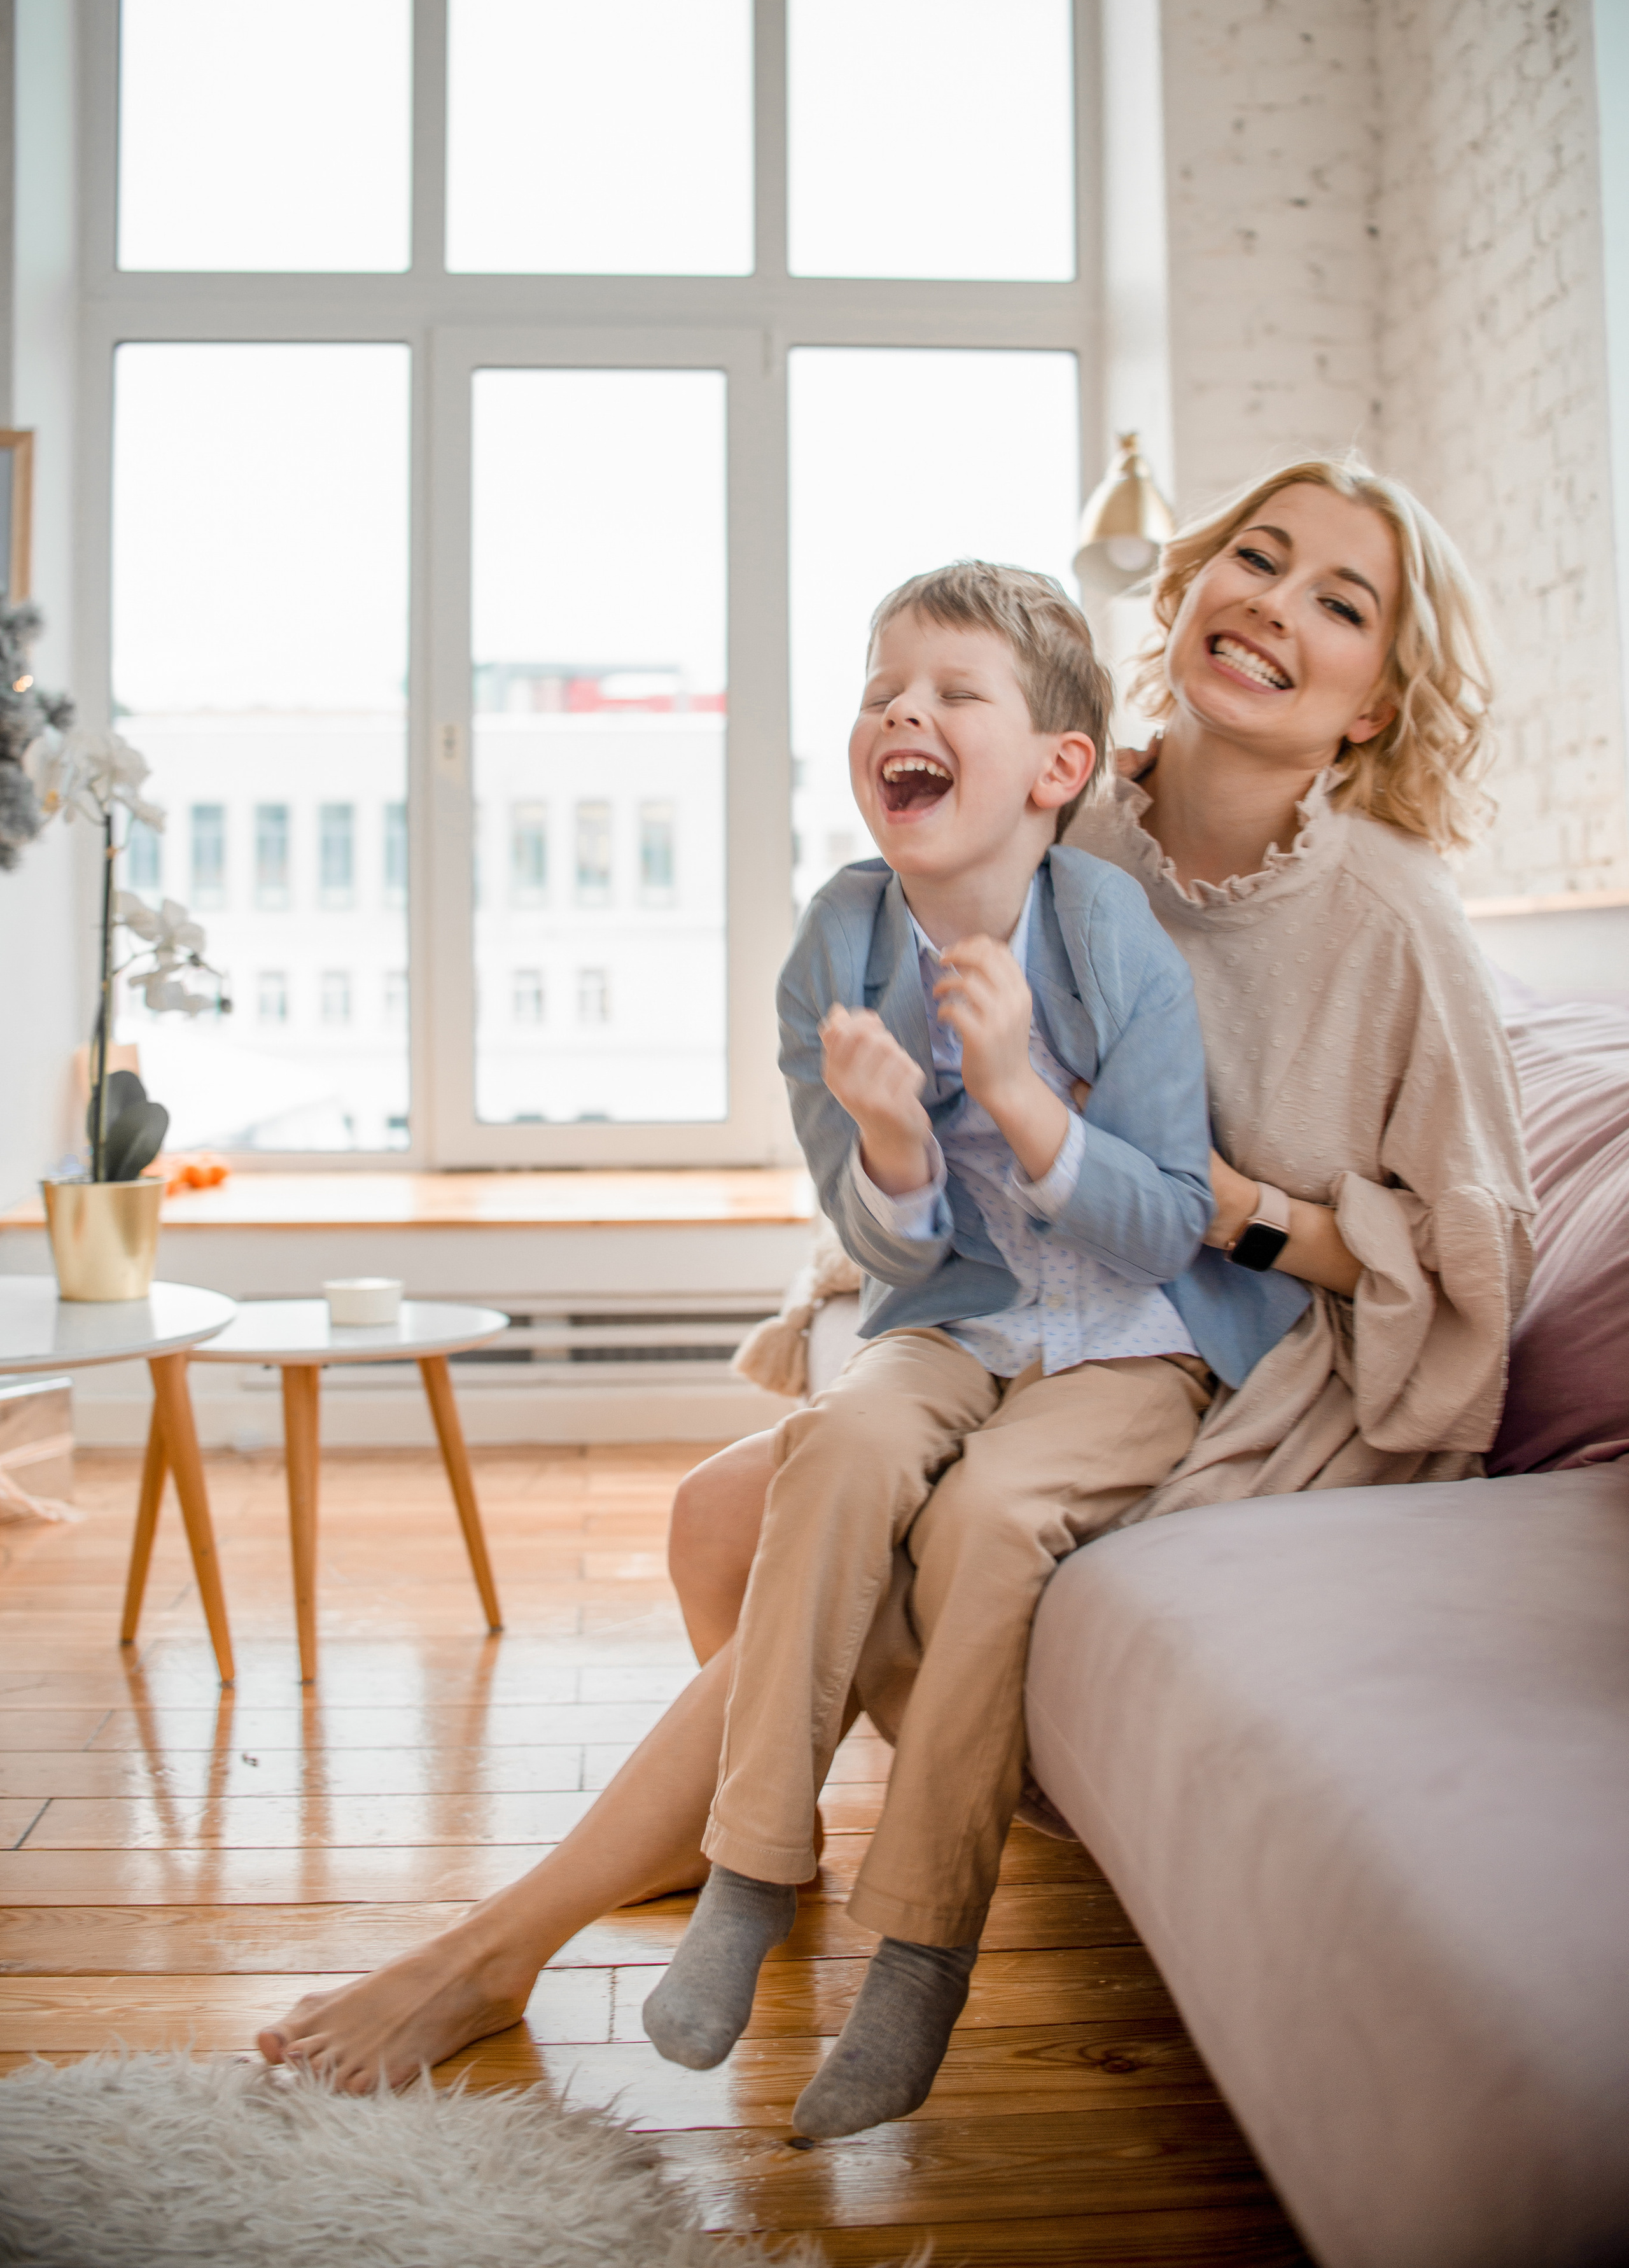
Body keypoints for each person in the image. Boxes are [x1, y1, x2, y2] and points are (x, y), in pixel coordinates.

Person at [258, 454, 1534, 2099]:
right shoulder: (1064, 809)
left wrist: (1241, 1208)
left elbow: (1452, 1249)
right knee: (730, 1515)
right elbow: (912, 1071)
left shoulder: (1393, 922)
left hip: (1233, 1356)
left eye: (1339, 603)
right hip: (1013, 1306)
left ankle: (508, 1945)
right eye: (1258, 559)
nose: (1276, 605)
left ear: (1375, 704)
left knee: (895, 1535)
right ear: (1195, 586)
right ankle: (756, 1843)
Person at [638, 561, 1304, 2139]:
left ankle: (922, 1950)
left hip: (1132, 1342)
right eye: (881, 693)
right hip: (958, 1312)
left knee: (996, 1519)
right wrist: (885, 1146)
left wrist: (1014, 1094)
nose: (902, 716)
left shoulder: (1109, 931)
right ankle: (748, 1868)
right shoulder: (836, 944)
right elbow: (883, 1259)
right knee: (839, 1443)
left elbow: (1161, 1223)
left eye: (950, 693)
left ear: (1053, 769)